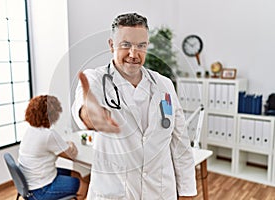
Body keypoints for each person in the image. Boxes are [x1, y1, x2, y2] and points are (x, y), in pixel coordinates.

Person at [72, 13, 197, 200]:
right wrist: (90, 115)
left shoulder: (164, 84)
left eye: (141, 46)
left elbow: (180, 145)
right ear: (111, 45)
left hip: (160, 192)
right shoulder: (95, 79)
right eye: (126, 45)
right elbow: (84, 108)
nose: (133, 54)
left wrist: (187, 194)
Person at [18, 95, 82, 200]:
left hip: (29, 183)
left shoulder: (30, 130)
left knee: (76, 174)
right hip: (41, 189)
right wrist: (70, 144)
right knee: (84, 186)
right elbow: (71, 155)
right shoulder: (48, 134)